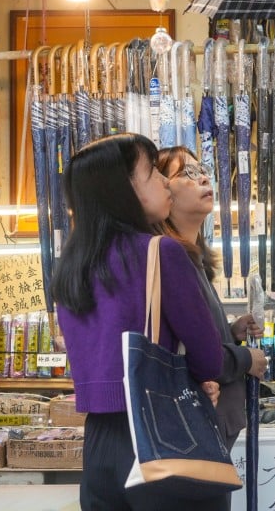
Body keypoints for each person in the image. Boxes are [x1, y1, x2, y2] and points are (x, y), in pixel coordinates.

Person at [50, 134, 227, 511]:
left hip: (99, 448)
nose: (164, 182)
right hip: (162, 438)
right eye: (151, 174)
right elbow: (209, 359)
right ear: (122, 189)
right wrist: (198, 382)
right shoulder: (161, 252)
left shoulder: (69, 267)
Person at [155, 146, 268, 457]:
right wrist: (247, 360)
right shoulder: (169, 258)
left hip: (212, 424)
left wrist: (229, 331)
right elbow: (193, 358)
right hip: (196, 425)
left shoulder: (193, 258)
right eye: (187, 173)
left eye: (202, 169)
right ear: (160, 190)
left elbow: (191, 337)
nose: (203, 177)